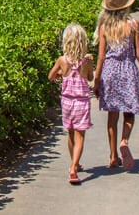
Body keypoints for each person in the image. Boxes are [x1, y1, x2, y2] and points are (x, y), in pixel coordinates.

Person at [93, 0, 139, 171]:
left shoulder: (104, 27)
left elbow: (101, 56)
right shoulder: (134, 25)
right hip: (128, 70)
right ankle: (124, 141)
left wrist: (96, 79)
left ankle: (113, 156)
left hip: (109, 73)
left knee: (112, 115)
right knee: (129, 112)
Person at [48, 23, 94, 185]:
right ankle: (74, 168)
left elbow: (51, 76)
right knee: (80, 136)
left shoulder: (62, 60)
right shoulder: (86, 62)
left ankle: (74, 163)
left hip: (67, 101)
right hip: (81, 102)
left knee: (70, 132)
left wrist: (62, 72)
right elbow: (90, 78)